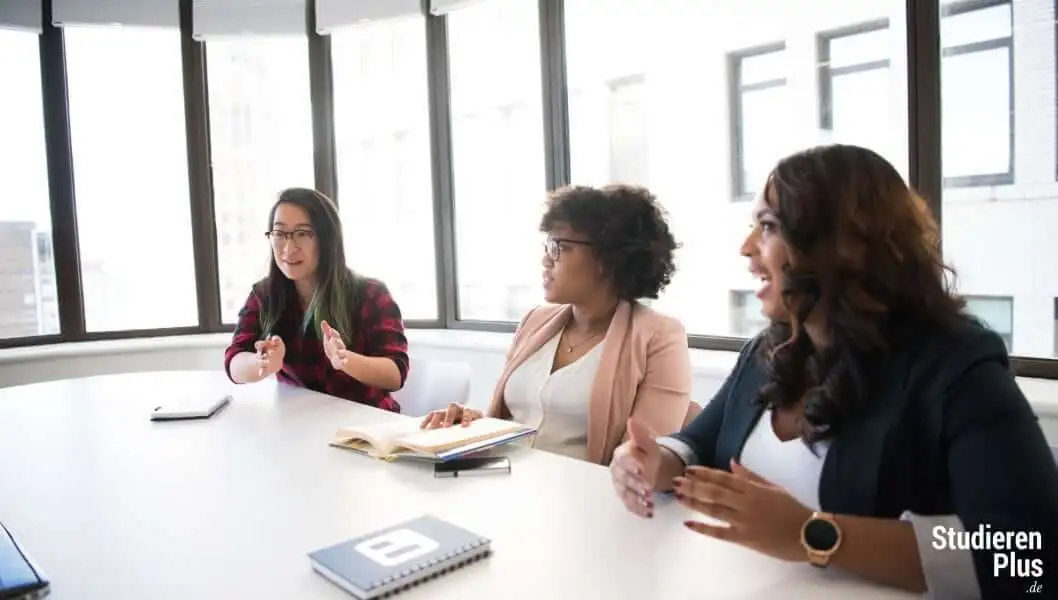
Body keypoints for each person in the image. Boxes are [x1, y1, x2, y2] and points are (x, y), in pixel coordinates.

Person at [609, 144, 1058, 597]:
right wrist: (655, 462)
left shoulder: (957, 366)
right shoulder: (769, 349)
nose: (746, 248)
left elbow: (1025, 550)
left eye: (767, 227)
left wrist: (813, 534)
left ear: (844, 246)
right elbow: (698, 444)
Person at [421, 184, 697, 465]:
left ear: (608, 258)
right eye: (547, 246)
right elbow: (513, 419)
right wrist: (472, 424)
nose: (545, 260)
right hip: (501, 483)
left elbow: (642, 461)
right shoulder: (535, 321)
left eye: (559, 247)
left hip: (584, 499)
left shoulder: (660, 337)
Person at [223, 187, 410, 412]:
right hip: (300, 424)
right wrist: (261, 363)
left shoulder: (370, 294)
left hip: (366, 429)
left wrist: (345, 360)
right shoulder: (264, 295)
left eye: (302, 233)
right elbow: (234, 361)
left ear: (326, 239)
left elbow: (395, 374)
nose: (288, 248)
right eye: (280, 233)